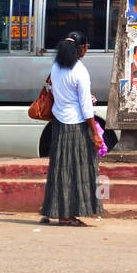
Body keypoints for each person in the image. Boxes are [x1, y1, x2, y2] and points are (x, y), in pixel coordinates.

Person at [41, 31, 105, 226]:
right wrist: (95, 133)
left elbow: (55, 91)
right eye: (86, 47)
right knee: (80, 170)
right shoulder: (80, 71)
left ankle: (60, 212)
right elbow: (86, 107)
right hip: (76, 125)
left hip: (59, 123)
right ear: (81, 49)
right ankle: (69, 215)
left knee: (60, 169)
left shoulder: (56, 68)